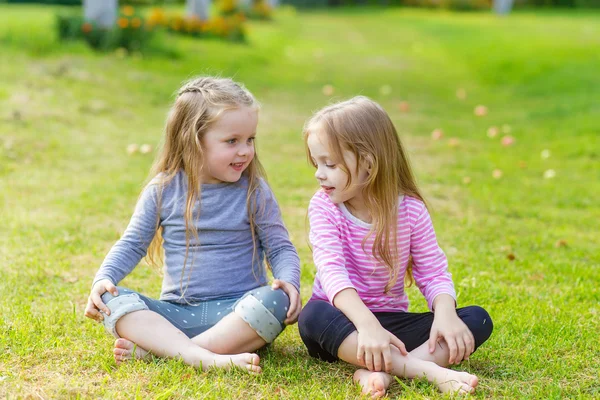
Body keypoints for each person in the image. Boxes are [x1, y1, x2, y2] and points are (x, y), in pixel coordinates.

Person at [84, 76, 301, 374]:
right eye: (232, 141)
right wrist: (103, 278)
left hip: (238, 315)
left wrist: (289, 281)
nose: (245, 151)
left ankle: (167, 351)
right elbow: (132, 244)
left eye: (250, 139)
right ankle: (202, 355)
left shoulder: (254, 191)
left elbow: (279, 246)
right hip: (177, 314)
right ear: (193, 140)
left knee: (274, 299)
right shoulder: (163, 190)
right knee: (111, 299)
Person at [297, 96, 492, 397]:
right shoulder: (324, 207)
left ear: (368, 163)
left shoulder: (411, 210)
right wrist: (366, 326)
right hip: (343, 321)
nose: (318, 174)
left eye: (330, 164)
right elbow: (332, 271)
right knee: (312, 317)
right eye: (316, 163)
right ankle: (424, 369)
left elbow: (433, 271)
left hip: (390, 324)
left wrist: (445, 313)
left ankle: (379, 372)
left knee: (475, 320)